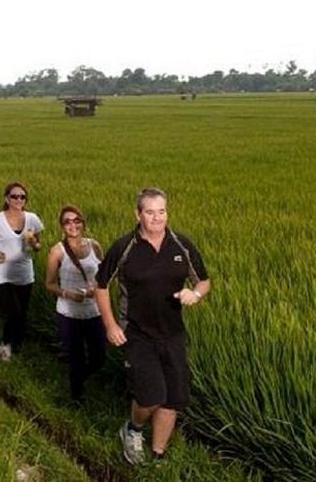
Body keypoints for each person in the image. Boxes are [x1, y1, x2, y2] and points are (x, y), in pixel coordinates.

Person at [94, 187, 211, 466]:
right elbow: (100, 286)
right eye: (150, 212)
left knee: (173, 398)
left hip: (173, 333)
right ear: (138, 214)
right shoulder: (124, 247)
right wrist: (110, 325)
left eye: (162, 211)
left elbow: (204, 281)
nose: (157, 218)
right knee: (151, 397)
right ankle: (132, 430)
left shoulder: (181, 244)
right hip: (137, 333)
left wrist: (195, 294)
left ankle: (158, 455)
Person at [44, 204, 105, 402]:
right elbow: (49, 284)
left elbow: (104, 277)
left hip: (94, 311)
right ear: (62, 226)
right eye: (67, 222)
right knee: (76, 358)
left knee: (99, 358)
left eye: (76, 220)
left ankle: (78, 379)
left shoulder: (94, 246)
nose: (73, 225)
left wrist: (96, 289)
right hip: (68, 313)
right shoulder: (57, 251)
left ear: (83, 223)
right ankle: (76, 396)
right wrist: (68, 293)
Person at [0, 182, 43, 362]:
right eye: (14, 196)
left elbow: (38, 245)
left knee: (22, 312)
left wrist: (34, 244)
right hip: (2, 274)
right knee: (13, 312)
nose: (18, 199)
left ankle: (17, 345)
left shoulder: (32, 219)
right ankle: (5, 344)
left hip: (24, 272)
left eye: (22, 196)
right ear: (7, 199)